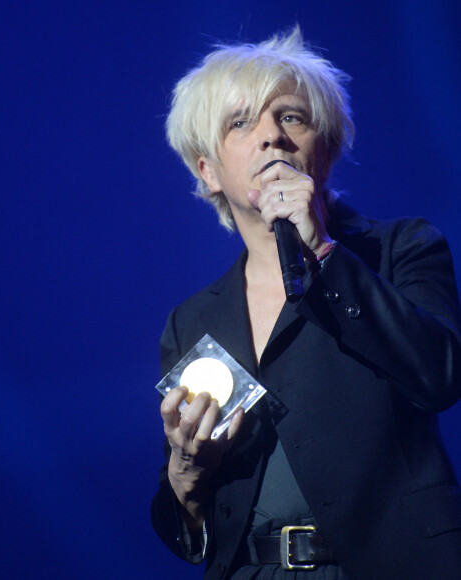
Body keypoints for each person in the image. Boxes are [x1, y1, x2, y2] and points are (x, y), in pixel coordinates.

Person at [151, 26, 461, 580]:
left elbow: (440, 374)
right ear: (208, 170)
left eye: (291, 117)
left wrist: (320, 249)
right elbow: (192, 531)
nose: (271, 136)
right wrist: (185, 472)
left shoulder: (400, 249)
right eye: (240, 122)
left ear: (327, 146)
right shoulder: (193, 320)